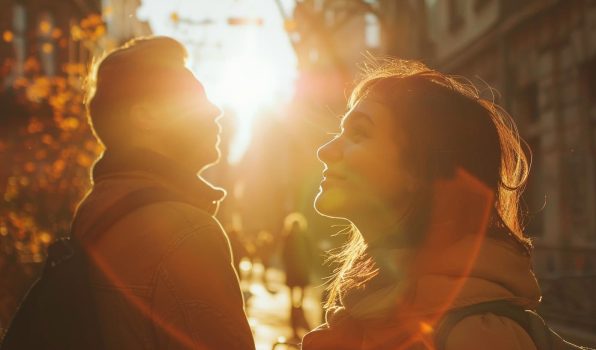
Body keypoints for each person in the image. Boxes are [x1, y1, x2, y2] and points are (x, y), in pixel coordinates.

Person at [302, 58, 546, 349]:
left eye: (359, 134)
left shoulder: (477, 337)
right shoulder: (366, 310)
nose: (325, 151)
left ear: (419, 170)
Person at [73, 36, 255, 349]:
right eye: (192, 98)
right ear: (145, 116)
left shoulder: (96, 209)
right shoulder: (185, 229)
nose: (214, 110)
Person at [280, 212, 313, 338]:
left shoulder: (294, 237)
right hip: (298, 270)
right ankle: (296, 306)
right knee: (297, 291)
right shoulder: (297, 237)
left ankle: (297, 305)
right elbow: (311, 254)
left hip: (297, 270)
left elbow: (284, 254)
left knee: (298, 290)